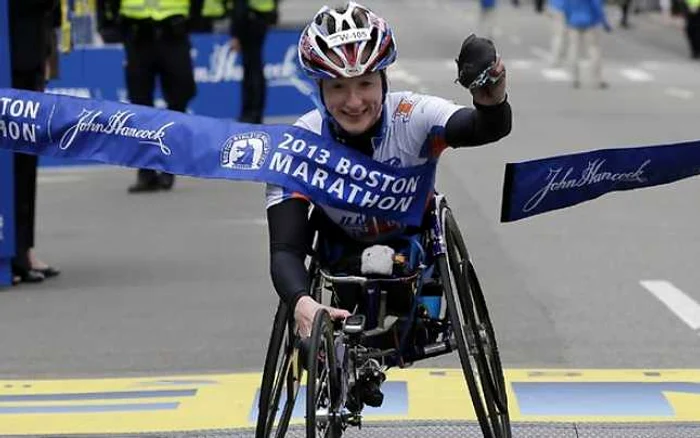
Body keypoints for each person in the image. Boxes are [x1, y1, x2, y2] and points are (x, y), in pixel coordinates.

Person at [266, 2, 511, 343]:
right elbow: (285, 251)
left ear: (383, 79)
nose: (353, 102)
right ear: (320, 90)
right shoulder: (299, 144)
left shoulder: (413, 115)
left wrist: (490, 99)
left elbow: (484, 127)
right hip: (340, 251)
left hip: (412, 242)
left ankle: (417, 311)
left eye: (365, 84)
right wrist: (301, 302)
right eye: (338, 87)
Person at [103, 0, 199, 192]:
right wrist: (108, 21)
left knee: (181, 93)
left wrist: (195, 19)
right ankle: (146, 172)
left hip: (174, 31)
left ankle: (170, 162)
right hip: (138, 33)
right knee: (140, 105)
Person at [8, 0, 62, 285]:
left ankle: (21, 249)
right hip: (12, 52)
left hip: (29, 53)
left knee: (24, 158)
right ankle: (11, 252)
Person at [228, 0, 278, 124]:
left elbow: (240, 6)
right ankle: (255, 112)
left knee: (251, 71)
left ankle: (251, 113)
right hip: (262, 17)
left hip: (249, 20)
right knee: (256, 69)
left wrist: (236, 34)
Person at [563, 0, 611, 88]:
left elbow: (566, 6)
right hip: (590, 22)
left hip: (573, 20)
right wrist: (604, 22)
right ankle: (597, 79)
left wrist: (568, 19)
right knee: (594, 49)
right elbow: (597, 7)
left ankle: (574, 78)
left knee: (573, 48)